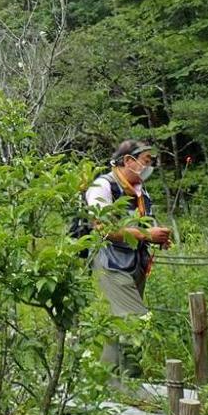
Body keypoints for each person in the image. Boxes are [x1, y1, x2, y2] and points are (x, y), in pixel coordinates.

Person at [85, 140, 172, 372]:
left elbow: (147, 225)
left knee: (118, 324)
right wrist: (147, 234)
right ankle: (133, 381)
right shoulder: (102, 187)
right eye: (146, 161)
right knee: (136, 320)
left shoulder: (142, 192)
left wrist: (159, 237)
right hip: (111, 265)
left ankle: (106, 380)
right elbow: (104, 229)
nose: (149, 166)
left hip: (137, 265)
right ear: (128, 161)